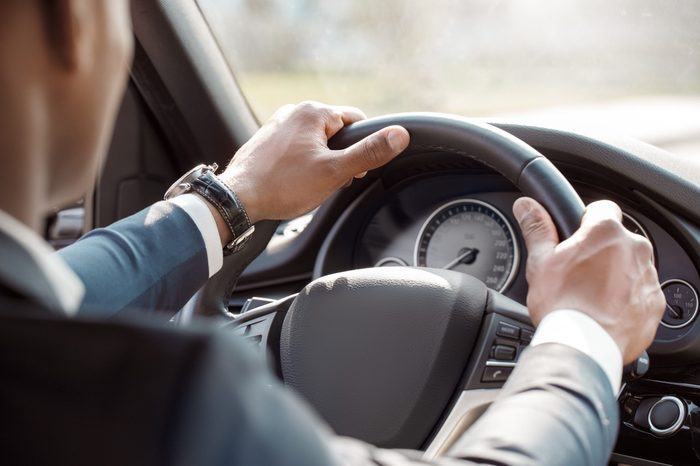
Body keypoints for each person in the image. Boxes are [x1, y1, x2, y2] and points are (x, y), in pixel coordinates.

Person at [0, 1, 665, 465]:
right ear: (74, 26)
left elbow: (53, 295)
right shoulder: (166, 407)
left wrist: (232, 199)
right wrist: (585, 334)